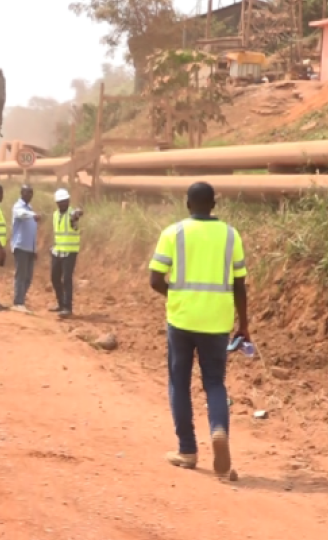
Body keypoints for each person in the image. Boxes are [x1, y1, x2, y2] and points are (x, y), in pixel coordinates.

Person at [148, 181, 249, 479]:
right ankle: (218, 429)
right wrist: (244, 324)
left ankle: (187, 450)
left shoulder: (173, 233)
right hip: (217, 323)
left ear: (187, 204)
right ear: (214, 205)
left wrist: (178, 297)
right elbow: (240, 285)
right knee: (215, 383)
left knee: (179, 382)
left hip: (181, 321)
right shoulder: (232, 236)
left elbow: (155, 280)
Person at [50, 188, 83, 318]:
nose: (63, 203)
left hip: (70, 252)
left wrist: (77, 214)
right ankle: (61, 303)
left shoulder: (72, 214)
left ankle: (67, 308)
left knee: (66, 279)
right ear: (57, 203)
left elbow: (77, 215)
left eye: (65, 201)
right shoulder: (55, 215)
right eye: (61, 202)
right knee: (54, 278)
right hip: (57, 251)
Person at [10, 184, 40, 313]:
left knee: (28, 277)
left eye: (31, 193)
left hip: (29, 249)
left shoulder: (30, 208)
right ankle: (18, 302)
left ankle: (21, 299)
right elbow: (22, 215)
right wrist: (33, 216)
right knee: (21, 275)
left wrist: (34, 249)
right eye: (27, 192)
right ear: (21, 193)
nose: (29, 195)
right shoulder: (19, 207)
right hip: (21, 246)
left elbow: (32, 232)